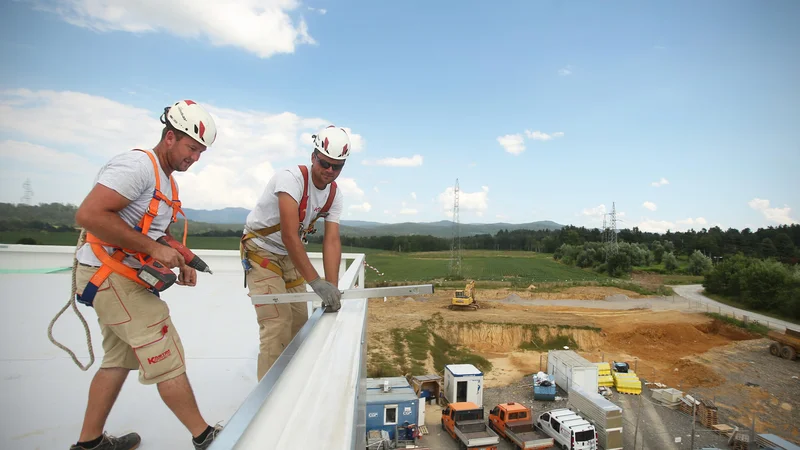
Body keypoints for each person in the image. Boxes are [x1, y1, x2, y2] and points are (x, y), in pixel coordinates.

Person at [71, 100, 223, 450]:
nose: (195, 158)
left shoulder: (167, 182)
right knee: (164, 351)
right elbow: (90, 214)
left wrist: (183, 258)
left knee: (118, 359)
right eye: (191, 148)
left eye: (200, 152)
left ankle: (89, 443)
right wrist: (155, 251)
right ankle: (206, 438)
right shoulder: (138, 165)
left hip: (117, 276)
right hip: (109, 275)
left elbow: (152, 232)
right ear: (170, 137)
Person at [240, 125, 350, 381]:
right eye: (325, 163)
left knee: (300, 324)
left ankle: (290, 387)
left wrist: (331, 287)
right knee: (276, 326)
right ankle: (265, 402)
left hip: (290, 257)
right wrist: (315, 282)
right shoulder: (291, 179)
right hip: (261, 252)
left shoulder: (334, 195)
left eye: (337, 166)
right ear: (313, 157)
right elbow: (290, 235)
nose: (329, 171)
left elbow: (331, 240)